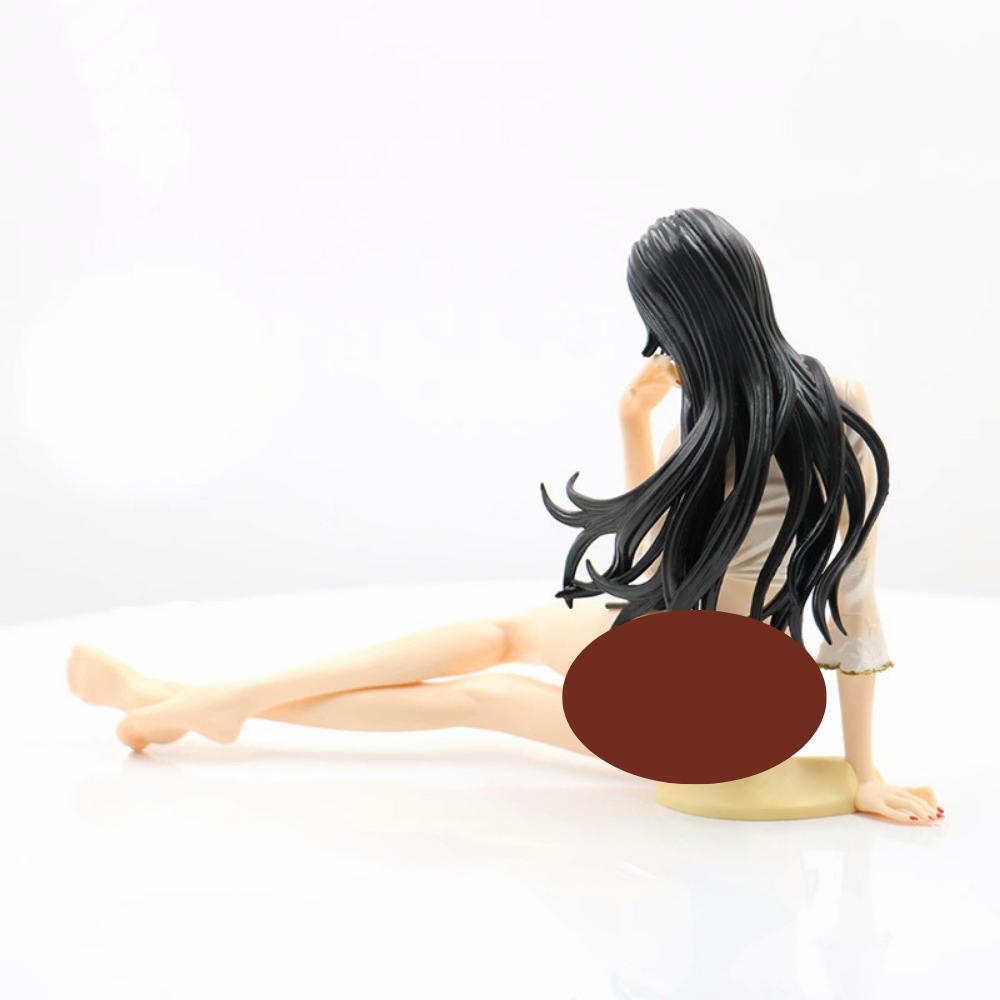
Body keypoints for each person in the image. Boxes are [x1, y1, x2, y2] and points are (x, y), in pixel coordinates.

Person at [66, 209, 943, 826]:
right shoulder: (784, 407)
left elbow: (834, 598)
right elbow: (703, 574)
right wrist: (634, 423)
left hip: (716, 704)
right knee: (497, 640)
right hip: (702, 655)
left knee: (483, 692)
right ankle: (206, 701)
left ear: (679, 318)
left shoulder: (763, 416)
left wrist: (864, 774)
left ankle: (198, 701)